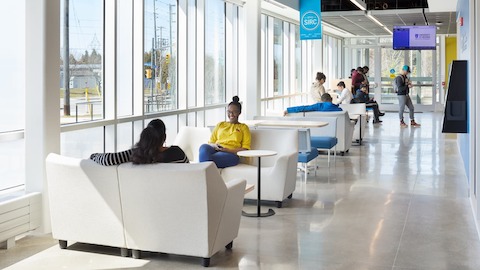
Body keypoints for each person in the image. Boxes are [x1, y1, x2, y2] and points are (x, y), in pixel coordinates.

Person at [90, 119, 189, 165]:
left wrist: (93, 156)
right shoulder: (178, 154)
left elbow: (108, 160)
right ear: (164, 137)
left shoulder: (135, 155)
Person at [199, 96, 251, 168]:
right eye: (229, 112)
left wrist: (227, 150)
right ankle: (208, 174)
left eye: (234, 112)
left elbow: (245, 149)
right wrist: (215, 146)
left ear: (239, 113)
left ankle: (203, 173)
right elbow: (211, 142)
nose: (231, 114)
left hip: (231, 154)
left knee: (209, 158)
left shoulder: (243, 127)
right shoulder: (221, 124)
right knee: (203, 147)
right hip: (216, 149)